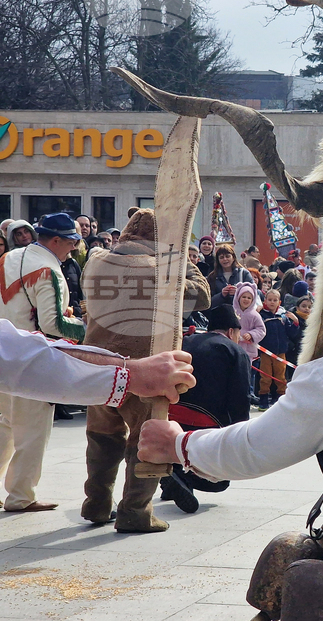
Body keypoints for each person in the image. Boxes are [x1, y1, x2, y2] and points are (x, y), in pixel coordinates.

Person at [79, 207, 211, 531]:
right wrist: (178, 255)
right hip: (143, 370)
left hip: (98, 366)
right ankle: (135, 512)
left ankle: (96, 504)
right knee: (144, 440)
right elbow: (203, 296)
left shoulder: (96, 260)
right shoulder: (162, 269)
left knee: (101, 439)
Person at [0, 213, 87, 511]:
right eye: (71, 242)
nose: (74, 248)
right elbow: (53, 325)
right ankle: (21, 496)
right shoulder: (49, 269)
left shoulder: (7, 258)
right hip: (31, 359)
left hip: (2, 352)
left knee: (5, 425)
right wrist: (84, 327)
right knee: (33, 429)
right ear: (56, 240)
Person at [160, 305, 255, 514]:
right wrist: (241, 430)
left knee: (178, 450)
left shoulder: (185, 341)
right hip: (207, 421)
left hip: (171, 414)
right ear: (232, 331)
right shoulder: (235, 350)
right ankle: (183, 478)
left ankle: (172, 477)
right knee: (220, 481)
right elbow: (240, 397)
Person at [257, 289, 299, 409]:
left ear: (279, 302)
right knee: (265, 376)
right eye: (269, 300)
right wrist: (256, 311)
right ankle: (263, 399)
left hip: (280, 352)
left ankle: (280, 398)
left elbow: (292, 333)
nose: (272, 302)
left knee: (280, 377)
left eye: (275, 300)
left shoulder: (283, 316)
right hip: (266, 352)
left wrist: (295, 322)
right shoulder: (261, 315)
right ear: (265, 301)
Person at [205, 244, 255, 308]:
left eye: (227, 256)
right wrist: (221, 295)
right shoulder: (212, 277)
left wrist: (239, 292)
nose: (225, 259)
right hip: (219, 314)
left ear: (233, 257)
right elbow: (208, 302)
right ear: (218, 260)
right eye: (221, 257)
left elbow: (253, 292)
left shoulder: (244, 273)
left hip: (241, 314)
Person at [234, 282, 265, 363]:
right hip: (233, 346)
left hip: (248, 351)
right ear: (238, 297)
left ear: (253, 300)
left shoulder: (255, 315)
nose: (246, 299)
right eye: (243, 297)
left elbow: (261, 330)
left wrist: (251, 334)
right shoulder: (232, 312)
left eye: (249, 298)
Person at [285, 296, 311, 380]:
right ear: (297, 308)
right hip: (293, 353)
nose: (306, 309)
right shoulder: (291, 318)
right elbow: (292, 335)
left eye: (309, 307)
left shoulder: (313, 321)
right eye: (303, 306)